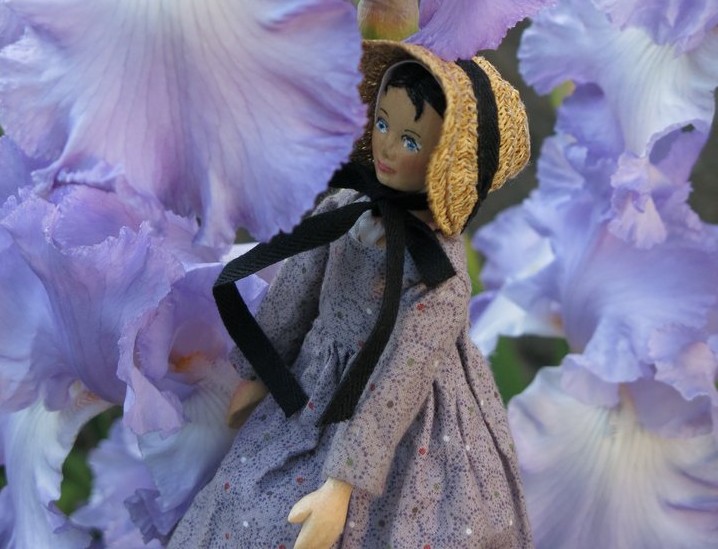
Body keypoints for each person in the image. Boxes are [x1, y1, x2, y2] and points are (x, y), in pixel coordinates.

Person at [170, 40, 534, 549]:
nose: (385, 148)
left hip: (400, 423)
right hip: (313, 384)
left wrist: (341, 488)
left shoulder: (439, 276)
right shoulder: (348, 208)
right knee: (242, 501)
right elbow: (299, 288)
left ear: (448, 165)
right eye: (382, 124)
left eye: (411, 140)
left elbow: (396, 388)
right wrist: (261, 371)